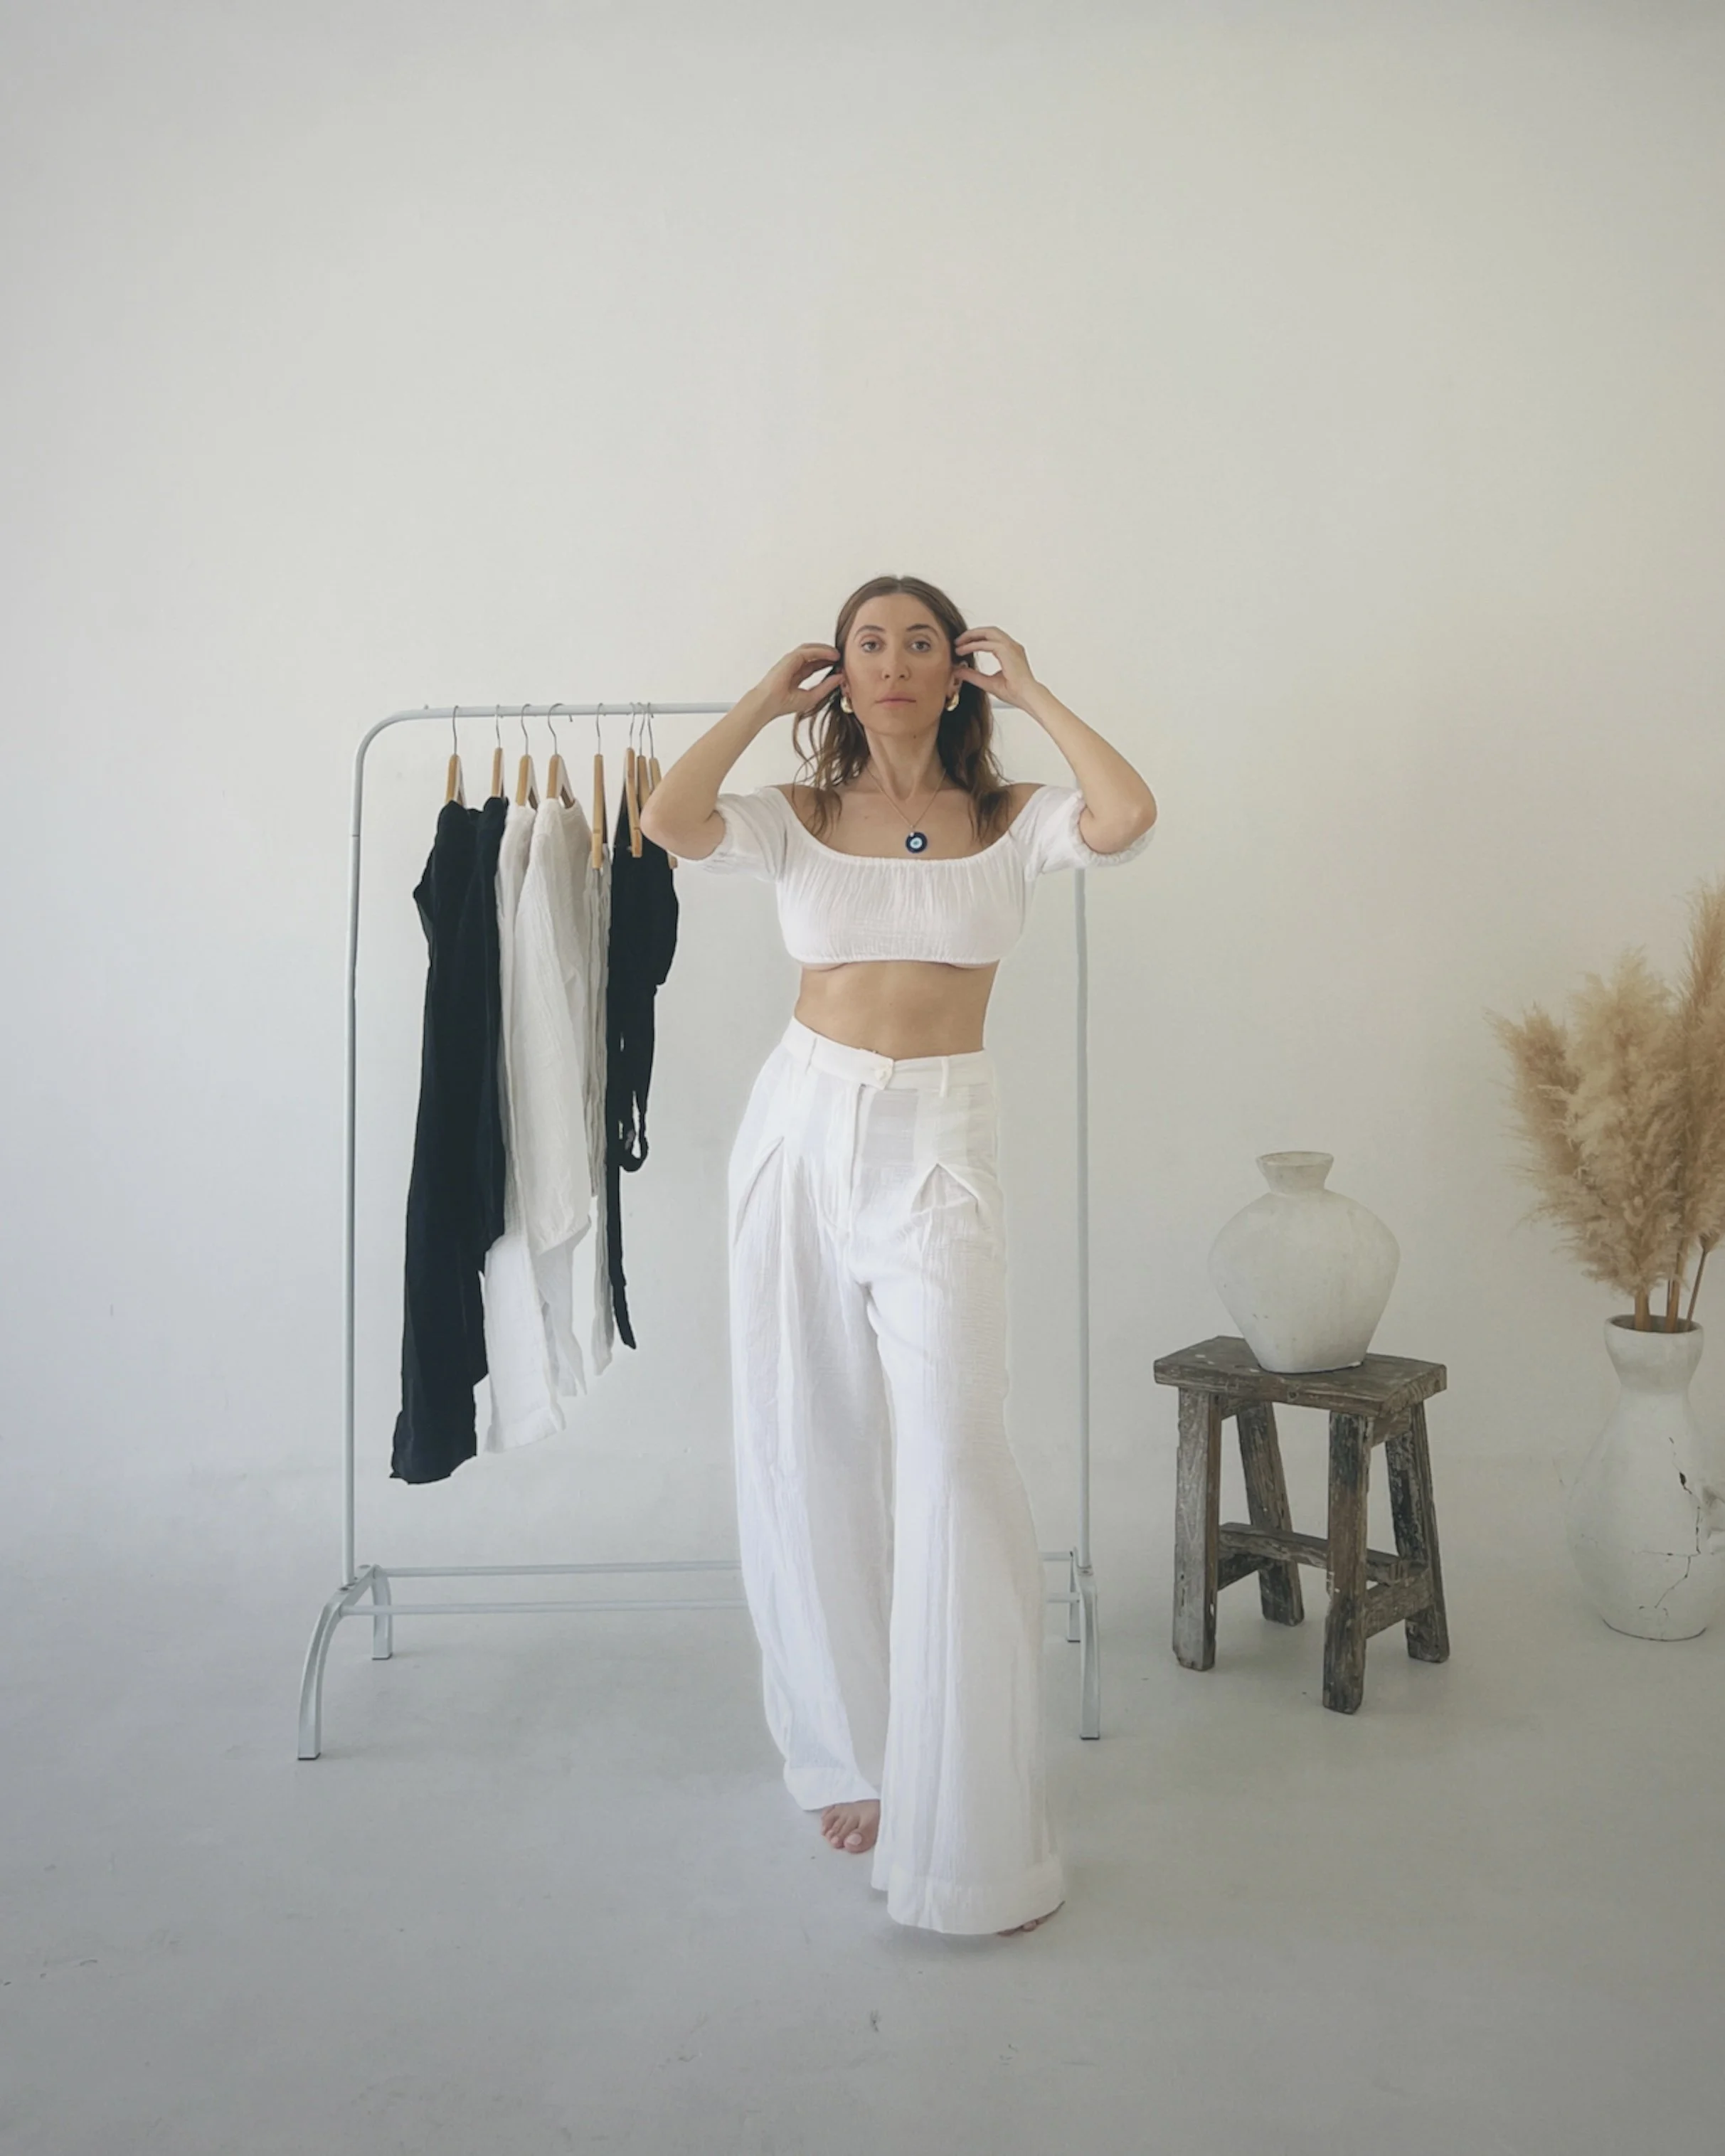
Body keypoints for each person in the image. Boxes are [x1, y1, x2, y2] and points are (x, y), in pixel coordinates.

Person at [639, 573, 1157, 1936]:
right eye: (869, 642)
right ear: (844, 671)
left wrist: (1036, 690)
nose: (892, 663)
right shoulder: (802, 815)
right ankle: (847, 1749)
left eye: (920, 642)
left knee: (952, 1457)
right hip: (803, 1126)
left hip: (942, 1141)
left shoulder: (1005, 821)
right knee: (805, 1435)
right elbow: (666, 819)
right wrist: (762, 697)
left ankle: (970, 1822)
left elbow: (1128, 814)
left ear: (956, 668)